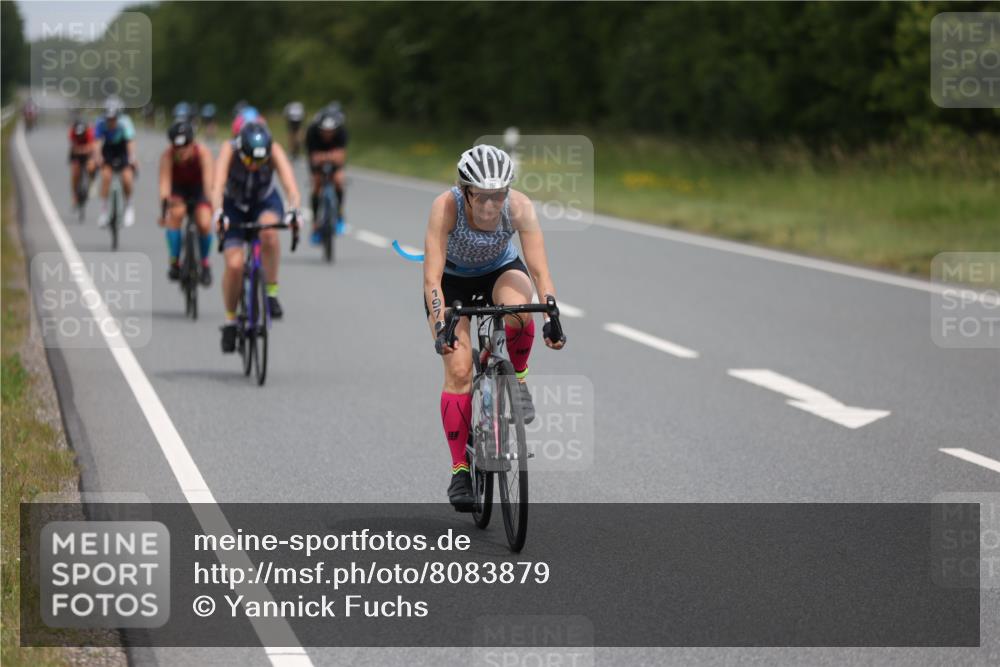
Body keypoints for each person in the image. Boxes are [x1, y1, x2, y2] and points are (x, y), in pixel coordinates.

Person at [423, 145, 565, 509]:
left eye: (498, 195)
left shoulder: (519, 206)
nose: (490, 205)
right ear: (465, 190)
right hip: (452, 281)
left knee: (520, 310)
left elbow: (539, 271)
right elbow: (432, 279)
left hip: (499, 270)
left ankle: (517, 380)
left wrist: (552, 317)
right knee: (458, 369)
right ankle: (459, 471)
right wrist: (442, 327)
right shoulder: (446, 206)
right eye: (482, 196)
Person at [211, 121, 301, 352]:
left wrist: (293, 211)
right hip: (234, 204)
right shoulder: (228, 150)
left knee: (269, 232)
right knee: (234, 265)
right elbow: (218, 184)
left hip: (264, 201)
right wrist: (218, 213)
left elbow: (290, 186)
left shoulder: (275, 150)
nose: (253, 166)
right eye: (249, 160)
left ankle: (271, 292)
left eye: (260, 162)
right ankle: (230, 321)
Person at [157, 120, 214, 284]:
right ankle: (174, 261)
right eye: (177, 146)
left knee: (203, 222)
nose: (182, 150)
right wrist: (164, 210)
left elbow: (209, 184)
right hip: (178, 189)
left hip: (199, 188)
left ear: (192, 142)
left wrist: (210, 206)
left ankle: (204, 262)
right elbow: (164, 185)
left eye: (186, 145)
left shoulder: (203, 153)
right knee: (176, 214)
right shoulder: (167, 156)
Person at [304, 107, 348, 243]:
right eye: (325, 131)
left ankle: (339, 214)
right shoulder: (311, 133)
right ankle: (316, 223)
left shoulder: (341, 132)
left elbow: (341, 156)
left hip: (332, 159)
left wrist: (326, 157)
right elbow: (313, 158)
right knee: (316, 184)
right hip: (317, 158)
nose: (327, 134)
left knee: (339, 180)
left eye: (331, 132)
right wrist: (328, 157)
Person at [94, 97, 137, 228]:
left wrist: (132, 158)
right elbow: (97, 142)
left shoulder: (125, 123)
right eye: (108, 118)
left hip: (122, 150)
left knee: (127, 179)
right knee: (106, 177)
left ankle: (129, 206)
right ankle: (103, 212)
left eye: (113, 118)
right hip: (108, 150)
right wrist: (97, 157)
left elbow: (130, 142)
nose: (111, 121)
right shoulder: (100, 123)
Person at [68, 118, 97, 209]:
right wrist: (79, 150)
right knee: (75, 171)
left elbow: (92, 147)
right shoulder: (72, 133)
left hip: (88, 153)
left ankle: (91, 182)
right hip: (77, 152)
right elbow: (73, 147)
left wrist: (84, 150)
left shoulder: (90, 132)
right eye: (78, 134)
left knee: (91, 166)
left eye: (81, 134)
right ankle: (75, 195)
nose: (80, 136)